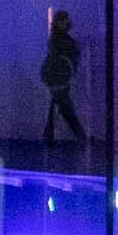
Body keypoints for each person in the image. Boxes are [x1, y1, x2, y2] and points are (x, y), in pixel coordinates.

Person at [40, 9, 87, 145]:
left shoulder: (56, 37)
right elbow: (67, 54)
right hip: (60, 78)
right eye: (65, 20)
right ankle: (80, 136)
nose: (68, 23)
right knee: (65, 107)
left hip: (57, 78)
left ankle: (48, 136)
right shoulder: (59, 39)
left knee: (59, 105)